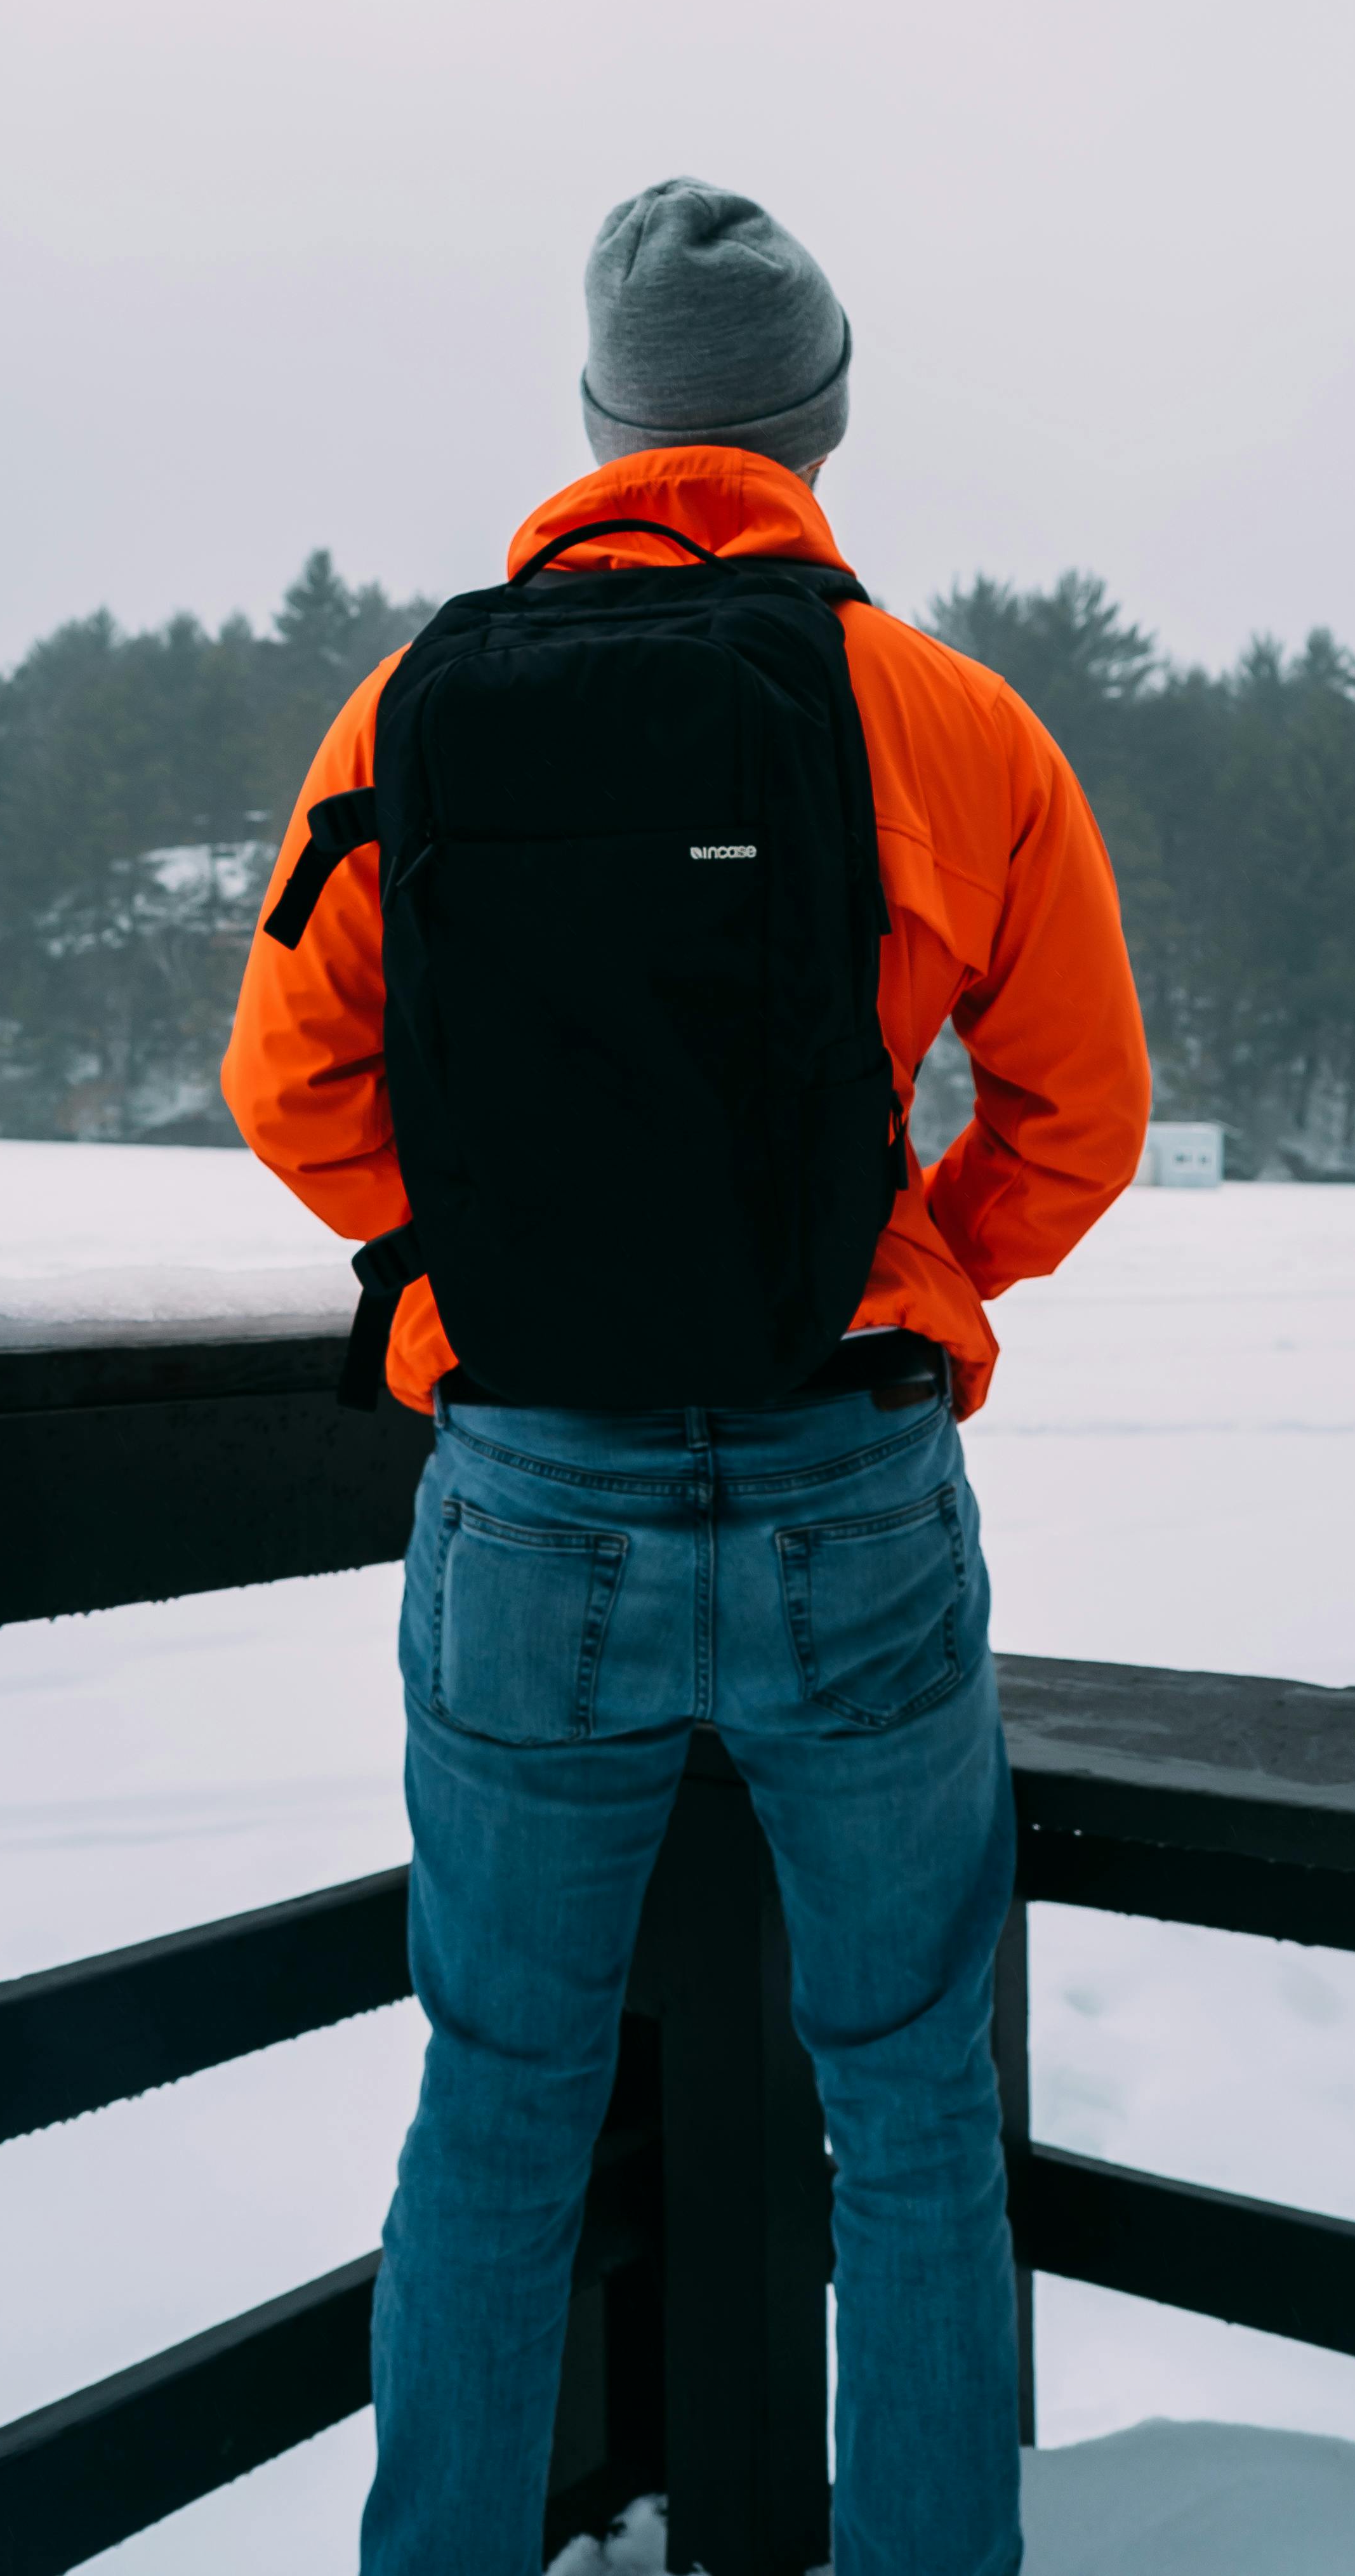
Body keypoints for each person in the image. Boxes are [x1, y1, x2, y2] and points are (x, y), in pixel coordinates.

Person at [225, 180, 1150, 2576]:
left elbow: (288, 1078)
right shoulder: (951, 724)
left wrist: (457, 1287)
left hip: (532, 1502)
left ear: (603, 424)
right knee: (916, 2119)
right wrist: (918, 1273)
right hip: (850, 1487)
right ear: (822, 424)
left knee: (504, 2108)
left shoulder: (412, 705)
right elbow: (1086, 1110)